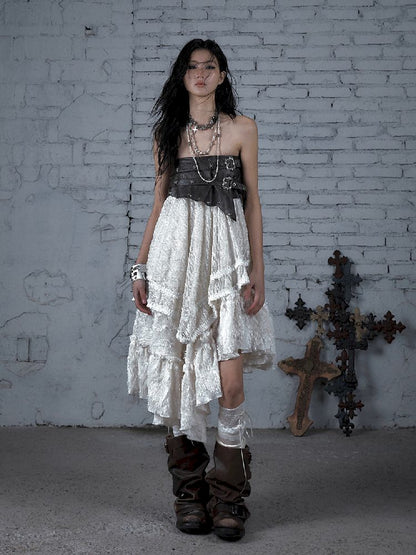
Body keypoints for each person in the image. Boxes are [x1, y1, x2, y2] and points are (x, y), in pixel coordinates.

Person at [127, 38, 276, 542]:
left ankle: (229, 496)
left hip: (224, 261)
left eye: (209, 66)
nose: (200, 73)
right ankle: (190, 495)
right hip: (174, 260)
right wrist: (140, 268)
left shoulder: (243, 129)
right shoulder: (167, 133)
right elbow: (158, 203)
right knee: (178, 382)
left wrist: (257, 271)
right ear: (182, 75)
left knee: (230, 386)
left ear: (222, 74)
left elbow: (252, 203)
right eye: (192, 67)